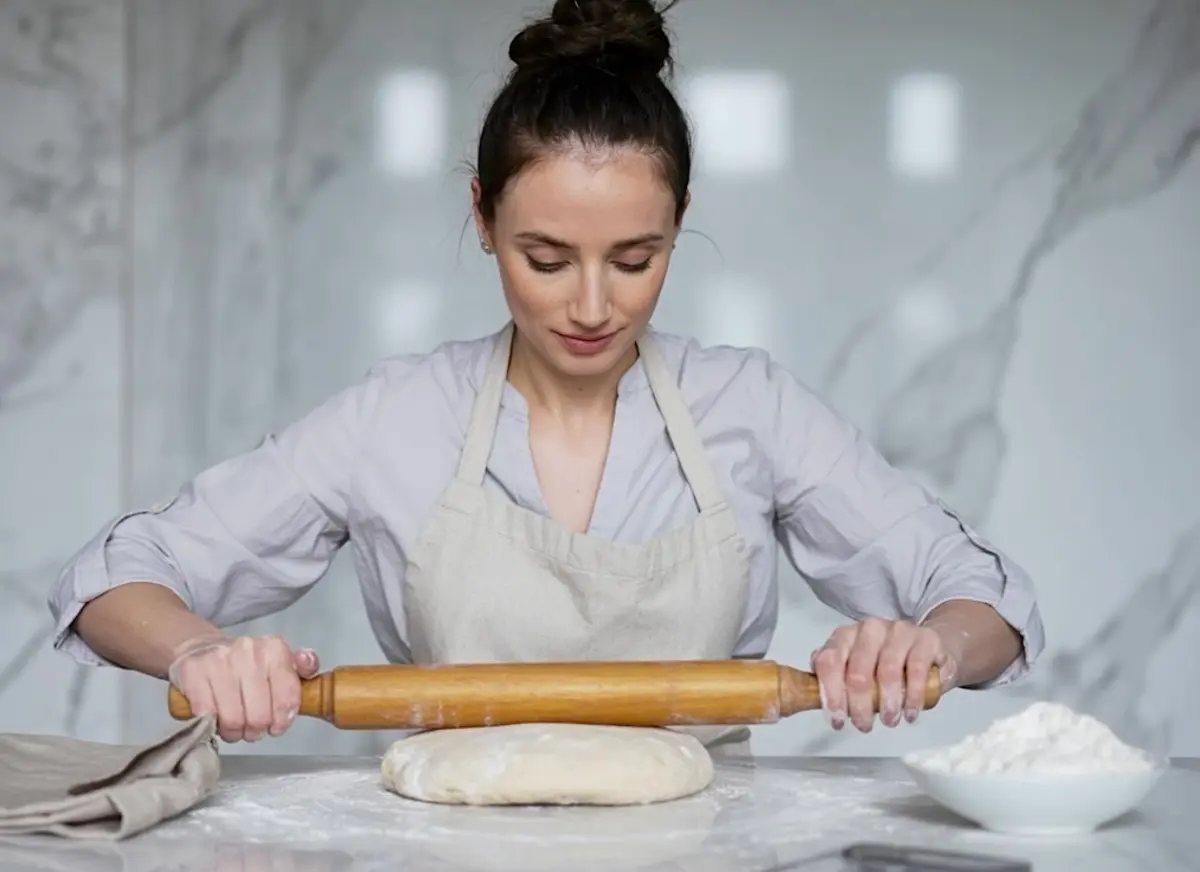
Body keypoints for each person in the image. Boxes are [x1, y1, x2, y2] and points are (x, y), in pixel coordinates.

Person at [49, 0, 1043, 749]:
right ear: (482, 218)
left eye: (636, 257)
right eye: (547, 257)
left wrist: (933, 647)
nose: (594, 305)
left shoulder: (751, 408)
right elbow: (109, 578)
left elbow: (985, 602)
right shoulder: (397, 418)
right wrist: (200, 651)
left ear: (681, 221)